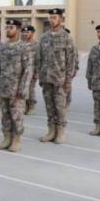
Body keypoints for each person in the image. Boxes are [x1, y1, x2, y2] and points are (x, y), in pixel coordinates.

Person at [0, 19, 33, 153]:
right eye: (7, 27)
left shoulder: (24, 47)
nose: (8, 30)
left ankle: (16, 139)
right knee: (5, 115)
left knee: (16, 115)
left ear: (18, 30)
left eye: (11, 27)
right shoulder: (3, 47)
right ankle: (7, 138)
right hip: (4, 87)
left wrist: (23, 88)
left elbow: (28, 70)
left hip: (17, 89)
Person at [38, 8, 76, 144]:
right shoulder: (44, 37)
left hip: (60, 80)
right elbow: (39, 58)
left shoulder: (66, 37)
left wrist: (68, 81)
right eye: (50, 17)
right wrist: (40, 76)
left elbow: (71, 61)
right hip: (46, 78)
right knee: (49, 106)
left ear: (61, 19)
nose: (51, 20)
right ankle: (51, 131)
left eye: (54, 17)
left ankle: (61, 131)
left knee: (60, 108)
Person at [21, 25, 40, 114]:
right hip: (22, 71)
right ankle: (24, 106)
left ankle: (31, 106)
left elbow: (39, 59)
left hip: (32, 70)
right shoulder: (21, 44)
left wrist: (37, 72)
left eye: (27, 32)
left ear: (32, 33)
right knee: (23, 88)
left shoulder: (36, 45)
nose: (25, 34)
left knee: (30, 89)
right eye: (24, 32)